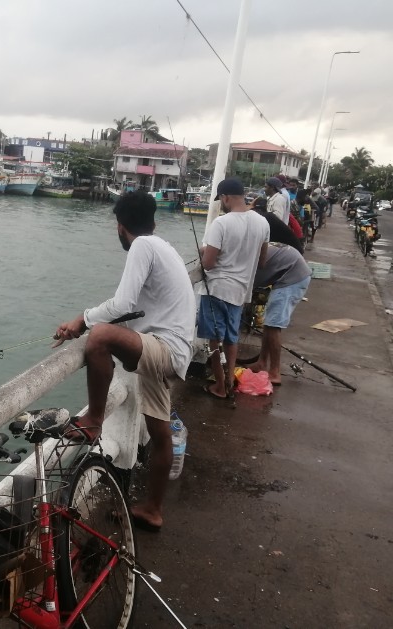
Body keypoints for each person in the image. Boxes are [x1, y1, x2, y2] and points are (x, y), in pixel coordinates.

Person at [54, 191, 195, 532]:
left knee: (100, 336)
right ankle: (152, 509)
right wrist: (84, 322)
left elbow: (123, 303)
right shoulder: (163, 246)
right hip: (174, 350)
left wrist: (82, 319)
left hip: (163, 347)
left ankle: (94, 419)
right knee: (160, 432)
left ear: (120, 226)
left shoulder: (142, 246)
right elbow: (133, 308)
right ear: (153, 222)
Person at [199, 178, 269, 399]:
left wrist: (203, 252)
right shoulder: (262, 223)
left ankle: (220, 386)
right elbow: (262, 261)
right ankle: (229, 381)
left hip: (217, 289)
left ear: (225, 197)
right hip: (240, 291)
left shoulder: (221, 223)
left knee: (215, 340)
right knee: (231, 338)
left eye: (221, 199)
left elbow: (208, 264)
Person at [245, 243, 312, 385]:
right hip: (291, 271)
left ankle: (275, 372)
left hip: (292, 277)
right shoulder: (249, 247)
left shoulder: (245, 258)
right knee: (269, 323)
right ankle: (262, 362)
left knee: (274, 325)